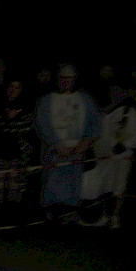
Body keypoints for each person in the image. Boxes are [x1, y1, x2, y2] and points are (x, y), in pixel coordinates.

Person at [36, 64, 101, 222]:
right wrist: (56, 144)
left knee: (72, 187)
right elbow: (42, 124)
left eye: (69, 78)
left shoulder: (85, 99)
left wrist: (85, 143)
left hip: (77, 152)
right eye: (63, 78)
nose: (66, 81)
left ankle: (70, 216)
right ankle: (51, 215)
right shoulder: (46, 100)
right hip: (54, 152)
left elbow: (95, 123)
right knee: (52, 186)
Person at [81, 82, 136, 228]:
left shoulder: (129, 111)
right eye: (113, 90)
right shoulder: (106, 110)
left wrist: (123, 146)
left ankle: (114, 216)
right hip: (102, 157)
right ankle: (102, 215)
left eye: (118, 90)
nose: (115, 93)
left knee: (118, 187)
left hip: (120, 158)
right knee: (104, 187)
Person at [0, 79, 38, 224]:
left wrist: (13, 120)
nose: (14, 89)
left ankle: (12, 223)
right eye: (11, 86)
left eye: (17, 87)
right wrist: (6, 118)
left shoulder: (26, 108)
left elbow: (27, 131)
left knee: (15, 192)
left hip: (17, 157)